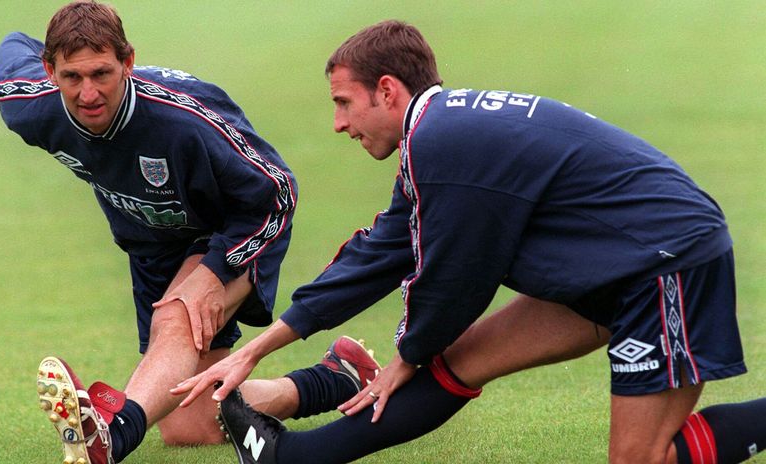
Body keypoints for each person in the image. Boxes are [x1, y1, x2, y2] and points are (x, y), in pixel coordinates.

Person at [173, 19, 766, 464]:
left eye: (343, 103)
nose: (338, 124)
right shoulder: (438, 135)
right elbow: (383, 252)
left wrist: (407, 351)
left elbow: (456, 279)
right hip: (616, 267)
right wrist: (260, 348)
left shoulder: (442, 141)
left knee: (641, 460)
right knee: (456, 360)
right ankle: (294, 457)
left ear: (387, 90)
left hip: (662, 264)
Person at [0, 2, 384, 463]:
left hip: (232, 227)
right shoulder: (29, 103)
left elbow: (278, 191)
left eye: (102, 73)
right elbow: (10, 47)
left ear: (128, 62)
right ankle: (338, 377)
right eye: (72, 77)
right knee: (189, 424)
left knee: (176, 313)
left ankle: (115, 434)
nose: (88, 92)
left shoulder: (184, 122)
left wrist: (215, 270)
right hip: (153, 245)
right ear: (49, 70)